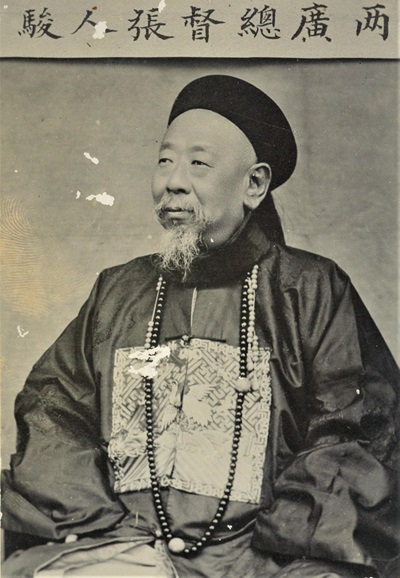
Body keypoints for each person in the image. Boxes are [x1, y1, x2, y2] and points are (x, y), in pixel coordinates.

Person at [2, 75, 399, 578]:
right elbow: (54, 412)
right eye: (164, 161)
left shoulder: (310, 289)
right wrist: (106, 530)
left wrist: (293, 549)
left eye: (198, 164)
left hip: (266, 557)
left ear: (254, 185)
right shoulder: (117, 291)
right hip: (125, 548)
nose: (172, 182)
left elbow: (353, 434)